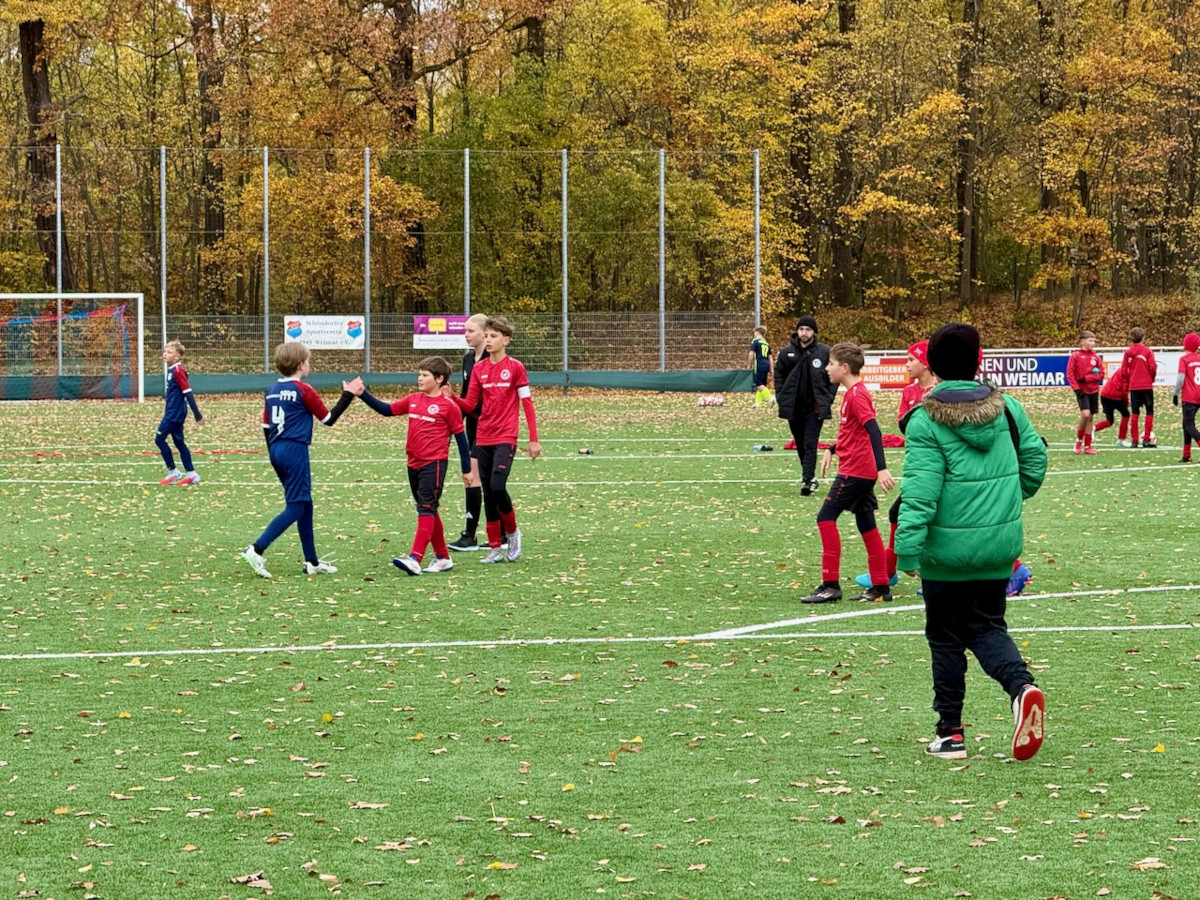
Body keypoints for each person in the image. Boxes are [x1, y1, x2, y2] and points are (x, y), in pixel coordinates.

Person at [894, 323, 1048, 762]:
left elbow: (921, 492)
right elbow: (1034, 458)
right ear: (977, 361)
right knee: (987, 627)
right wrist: (1010, 498)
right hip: (998, 547)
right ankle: (1022, 687)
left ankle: (951, 733)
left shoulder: (925, 418)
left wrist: (906, 549)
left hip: (944, 553)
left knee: (945, 639)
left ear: (934, 365)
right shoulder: (1008, 408)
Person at [241, 343, 359, 579]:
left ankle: (311, 561)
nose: (309, 365)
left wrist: (275, 454)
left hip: (276, 449)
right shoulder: (303, 390)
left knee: (304, 503)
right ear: (300, 365)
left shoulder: (272, 389)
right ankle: (257, 548)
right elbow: (328, 418)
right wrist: (349, 394)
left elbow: (266, 427)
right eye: (307, 361)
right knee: (296, 506)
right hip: (295, 450)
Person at [353, 357, 472, 575]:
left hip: (434, 464)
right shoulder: (414, 399)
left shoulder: (449, 407)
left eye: (425, 375)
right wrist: (362, 394)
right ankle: (443, 557)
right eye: (419, 374)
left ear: (439, 379)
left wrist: (467, 470)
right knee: (429, 510)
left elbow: (461, 440)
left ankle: (415, 558)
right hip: (413, 463)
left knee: (426, 508)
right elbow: (387, 410)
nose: (420, 378)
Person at [800, 342, 895, 605]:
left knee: (825, 518)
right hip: (858, 469)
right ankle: (880, 586)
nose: (826, 368)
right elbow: (854, 434)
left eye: (830, 364)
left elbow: (873, 430)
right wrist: (833, 448)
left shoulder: (857, 395)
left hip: (855, 472)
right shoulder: (853, 394)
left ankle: (830, 585)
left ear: (844, 368)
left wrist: (882, 467)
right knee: (867, 525)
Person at [446, 315, 541, 564]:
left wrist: (533, 439)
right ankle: (495, 548)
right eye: (486, 336)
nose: (488, 340)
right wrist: (452, 397)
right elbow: (469, 404)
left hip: (506, 436)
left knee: (498, 487)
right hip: (483, 436)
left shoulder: (516, 367)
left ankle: (512, 533)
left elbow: (527, 404)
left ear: (505, 340)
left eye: (493, 336)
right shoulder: (479, 369)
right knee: (488, 491)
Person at [855, 340, 936, 591]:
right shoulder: (910, 392)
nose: (907, 364)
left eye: (911, 359)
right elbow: (904, 424)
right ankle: (889, 572)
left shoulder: (941, 390)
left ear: (925, 363)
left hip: (933, 467)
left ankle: (915, 574)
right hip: (919, 466)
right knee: (898, 513)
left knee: (921, 518)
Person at [775, 316, 836, 496]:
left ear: (814, 332)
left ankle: (807, 480)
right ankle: (810, 476)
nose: (804, 333)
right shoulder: (787, 353)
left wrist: (829, 397)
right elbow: (778, 374)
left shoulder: (824, 352)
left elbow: (833, 376)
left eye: (808, 330)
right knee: (800, 444)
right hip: (794, 408)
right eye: (801, 329)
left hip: (814, 408)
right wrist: (781, 395)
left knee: (810, 443)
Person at [448, 313, 491, 552]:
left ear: (484, 333)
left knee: (485, 481)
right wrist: (454, 426)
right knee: (475, 479)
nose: (466, 334)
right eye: (465, 331)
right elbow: (466, 398)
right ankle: (473, 534)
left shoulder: (492, 359)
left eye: (471, 330)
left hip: (490, 428)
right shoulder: (467, 360)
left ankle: (475, 535)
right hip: (473, 428)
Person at [156, 340, 204, 485]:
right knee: (178, 441)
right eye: (165, 351)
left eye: (169, 352)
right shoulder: (172, 370)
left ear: (177, 357)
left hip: (174, 413)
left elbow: (188, 392)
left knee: (159, 439)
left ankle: (173, 471)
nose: (165, 354)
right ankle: (191, 473)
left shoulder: (178, 370)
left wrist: (197, 414)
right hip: (174, 411)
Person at [1066, 330, 1103, 455]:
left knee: (1091, 417)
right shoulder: (1075, 356)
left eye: (1094, 341)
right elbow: (1070, 374)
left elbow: (1101, 374)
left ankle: (1088, 446)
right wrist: (1076, 388)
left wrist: (1088, 378)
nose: (1093, 343)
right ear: (1082, 342)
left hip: (1093, 390)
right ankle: (1078, 442)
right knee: (1085, 415)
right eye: (1090, 341)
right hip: (1082, 390)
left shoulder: (1096, 357)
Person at [1124, 326, 1158, 447]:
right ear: (1143, 338)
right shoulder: (1147, 351)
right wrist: (1151, 379)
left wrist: (1129, 381)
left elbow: (1124, 370)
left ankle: (1134, 440)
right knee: (1149, 411)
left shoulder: (1128, 353)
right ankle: (1146, 439)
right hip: (1146, 385)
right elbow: (1153, 367)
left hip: (1134, 386)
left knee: (1135, 412)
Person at [1174, 331, 1200, 463]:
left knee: (1188, 424)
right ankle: (1186, 454)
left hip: (1189, 396)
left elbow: (1180, 378)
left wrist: (1175, 393)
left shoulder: (1183, 359)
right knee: (1187, 424)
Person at [1094, 360, 1131, 447]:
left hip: (1105, 394)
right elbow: (1124, 389)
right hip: (1114, 396)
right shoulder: (1129, 373)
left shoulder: (1122, 369)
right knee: (1126, 414)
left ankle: (1093, 428)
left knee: (1109, 420)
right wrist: (1126, 402)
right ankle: (1121, 440)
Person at [749, 325, 773, 406]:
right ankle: (757, 403)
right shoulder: (766, 343)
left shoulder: (755, 341)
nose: (754, 334)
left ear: (757, 332)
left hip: (758, 365)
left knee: (758, 384)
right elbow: (770, 357)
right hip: (766, 364)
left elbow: (751, 353)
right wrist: (771, 368)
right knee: (762, 384)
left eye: (754, 332)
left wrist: (749, 364)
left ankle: (771, 398)